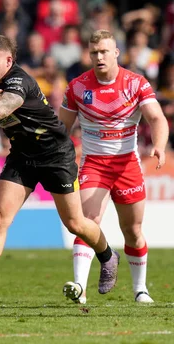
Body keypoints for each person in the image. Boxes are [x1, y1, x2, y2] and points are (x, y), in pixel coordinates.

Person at [0, 35, 120, 303]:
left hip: (55, 155)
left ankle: (108, 256)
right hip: (22, 156)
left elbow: (5, 107)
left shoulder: (20, 80)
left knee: (75, 223)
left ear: (8, 60)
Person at [59, 30, 169, 304]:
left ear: (116, 53)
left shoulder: (135, 83)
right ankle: (80, 288)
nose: (99, 57)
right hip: (94, 164)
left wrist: (159, 145)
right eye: (94, 52)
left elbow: (157, 118)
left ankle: (140, 289)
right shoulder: (77, 87)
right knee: (86, 223)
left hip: (127, 164)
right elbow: (60, 128)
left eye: (104, 51)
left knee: (132, 230)